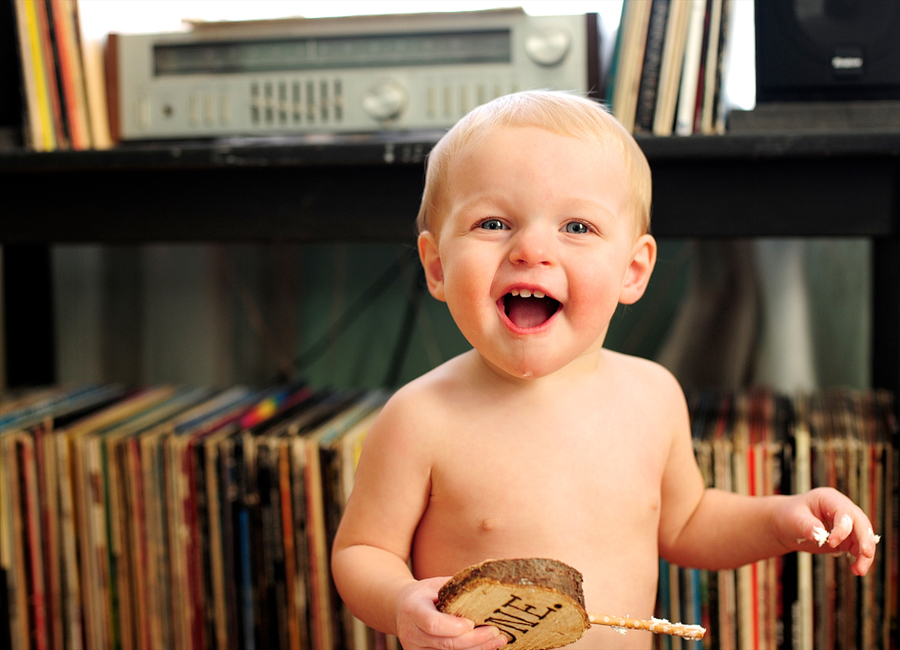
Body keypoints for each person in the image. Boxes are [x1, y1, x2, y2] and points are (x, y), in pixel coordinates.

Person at [330, 90, 879, 650]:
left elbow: (688, 522)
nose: (532, 249)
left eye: (577, 227)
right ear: (437, 265)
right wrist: (401, 601)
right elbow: (362, 554)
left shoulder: (652, 396)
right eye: (494, 223)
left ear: (633, 271)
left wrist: (783, 520)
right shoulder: (420, 418)